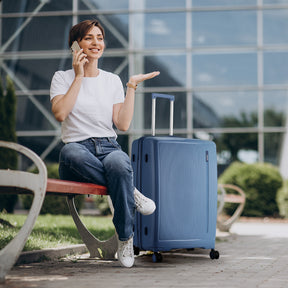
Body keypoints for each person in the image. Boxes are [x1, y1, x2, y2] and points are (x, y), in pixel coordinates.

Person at [50, 19, 160, 268]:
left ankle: (125, 238)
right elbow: (60, 113)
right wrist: (79, 76)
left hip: (108, 147)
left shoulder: (111, 80)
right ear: (75, 46)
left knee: (120, 166)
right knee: (73, 154)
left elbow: (122, 125)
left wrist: (131, 86)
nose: (95, 42)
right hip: (76, 152)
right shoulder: (62, 77)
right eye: (88, 37)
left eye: (99, 37)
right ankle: (131, 192)